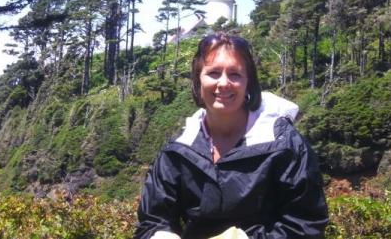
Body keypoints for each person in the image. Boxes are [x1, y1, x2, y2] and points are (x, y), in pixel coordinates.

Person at [134, 33, 328, 239]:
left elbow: (306, 224)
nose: (224, 83)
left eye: (235, 74)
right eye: (214, 73)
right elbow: (152, 221)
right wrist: (159, 235)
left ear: (248, 83)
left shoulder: (283, 144)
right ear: (198, 80)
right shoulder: (179, 150)